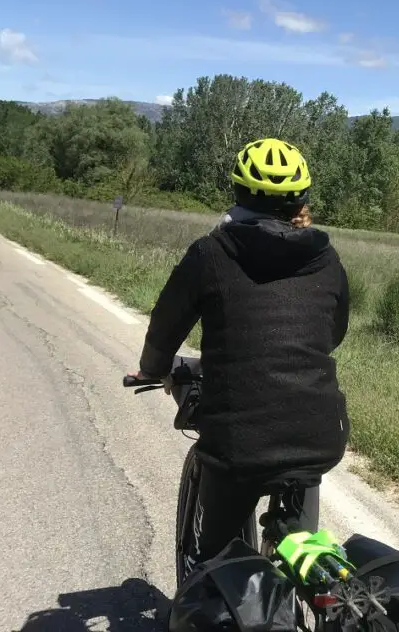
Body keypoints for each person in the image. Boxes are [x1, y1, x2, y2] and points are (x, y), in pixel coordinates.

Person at [127, 138, 351, 579]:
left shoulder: (211, 253)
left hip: (239, 442)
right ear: (301, 199)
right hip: (322, 433)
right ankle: (302, 576)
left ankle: (221, 583)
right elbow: (333, 334)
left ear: (237, 192)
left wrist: (152, 370)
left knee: (216, 567)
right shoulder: (326, 257)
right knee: (302, 557)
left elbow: (167, 324)